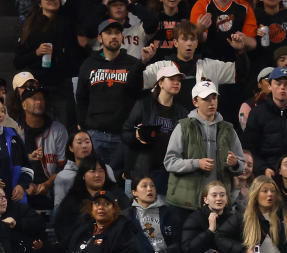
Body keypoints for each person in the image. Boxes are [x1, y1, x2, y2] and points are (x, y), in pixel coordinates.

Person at [165, 81, 246, 212]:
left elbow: (242, 165)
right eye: (206, 99)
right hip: (187, 203)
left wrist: (235, 163)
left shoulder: (228, 129)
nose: (212, 102)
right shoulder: (183, 127)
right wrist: (197, 163)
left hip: (218, 203)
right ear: (195, 102)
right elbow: (169, 162)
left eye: (214, 98)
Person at [75, 19, 145, 164]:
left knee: (123, 183)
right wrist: (84, 125)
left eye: (117, 33)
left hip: (123, 136)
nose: (113, 36)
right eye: (108, 33)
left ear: (122, 37)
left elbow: (139, 96)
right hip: (95, 134)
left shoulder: (134, 64)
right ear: (100, 38)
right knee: (95, 179)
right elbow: (81, 98)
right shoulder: (88, 64)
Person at [14, 0, 85, 129]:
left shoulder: (68, 24)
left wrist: (57, 54)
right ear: (39, 3)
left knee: (65, 127)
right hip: (37, 87)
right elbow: (18, 62)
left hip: (61, 85)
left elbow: (76, 58)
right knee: (38, 128)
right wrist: (36, 53)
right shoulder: (30, 26)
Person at [215, 175, 287, 253]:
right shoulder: (243, 216)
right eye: (265, 191)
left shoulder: (285, 214)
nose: (270, 194)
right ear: (255, 194)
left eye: (273, 191)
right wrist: (244, 251)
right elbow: (220, 236)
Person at [121, 65, 189, 194]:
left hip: (169, 172)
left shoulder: (182, 112)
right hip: (143, 171)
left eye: (179, 80)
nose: (176, 83)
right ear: (161, 82)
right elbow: (125, 133)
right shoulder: (143, 105)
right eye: (172, 79)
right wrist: (137, 136)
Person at [142, 21, 238, 112]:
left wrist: (241, 52)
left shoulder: (210, 66)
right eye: (184, 39)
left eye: (192, 39)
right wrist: (143, 62)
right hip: (169, 124)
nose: (189, 43)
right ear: (175, 43)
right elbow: (134, 83)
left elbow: (240, 73)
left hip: (201, 124)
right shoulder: (161, 67)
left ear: (196, 43)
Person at [63, 190, 141, 253]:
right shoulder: (82, 230)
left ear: (114, 209)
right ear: (91, 208)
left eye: (106, 204)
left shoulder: (124, 230)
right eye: (97, 204)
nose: (100, 207)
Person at [55, 156, 129, 245]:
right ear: (83, 175)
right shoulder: (73, 199)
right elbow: (63, 229)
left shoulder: (116, 194)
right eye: (93, 171)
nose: (97, 175)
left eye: (101, 171)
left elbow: (126, 219)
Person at [18, 85, 68, 210]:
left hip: (50, 186)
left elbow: (63, 165)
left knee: (67, 178)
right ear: (24, 105)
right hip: (22, 185)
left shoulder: (58, 129)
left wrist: (48, 183)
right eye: (34, 99)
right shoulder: (15, 130)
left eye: (41, 99)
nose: (39, 102)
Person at [124, 175, 183, 253]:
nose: (149, 189)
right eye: (144, 186)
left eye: (152, 186)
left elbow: (178, 243)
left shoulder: (168, 213)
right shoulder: (127, 216)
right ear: (134, 192)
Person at [54, 131, 118, 209]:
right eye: (79, 143)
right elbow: (59, 207)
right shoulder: (63, 177)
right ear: (71, 148)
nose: (84, 146)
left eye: (87, 142)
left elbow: (115, 196)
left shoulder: (106, 169)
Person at [181, 180, 230, 253]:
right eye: (214, 195)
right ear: (206, 200)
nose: (219, 198)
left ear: (226, 199)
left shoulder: (233, 218)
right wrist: (210, 231)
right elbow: (188, 249)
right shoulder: (195, 218)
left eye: (222, 195)